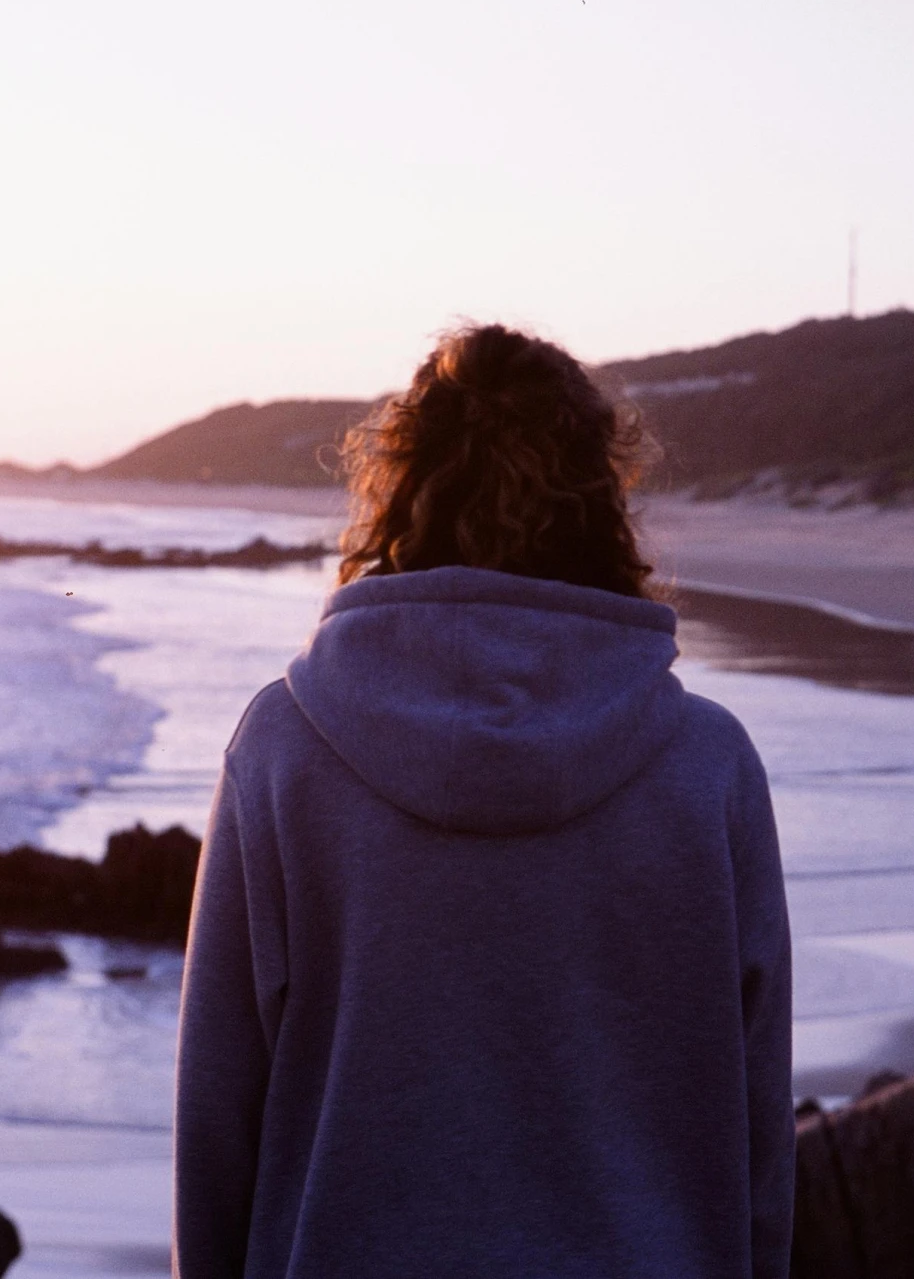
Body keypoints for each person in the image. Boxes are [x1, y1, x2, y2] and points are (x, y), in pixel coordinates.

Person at [174, 324, 795, 1279]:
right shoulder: (709, 767)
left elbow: (218, 1124)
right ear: (601, 501)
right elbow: (759, 1139)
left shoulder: (285, 749)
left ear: (402, 491)